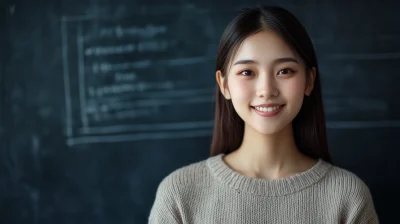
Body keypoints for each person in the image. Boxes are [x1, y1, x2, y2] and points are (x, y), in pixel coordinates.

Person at [148, 5, 379, 224]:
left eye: (285, 71)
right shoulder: (179, 194)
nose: (267, 90)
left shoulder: (348, 196)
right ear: (224, 84)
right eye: (247, 72)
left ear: (309, 80)